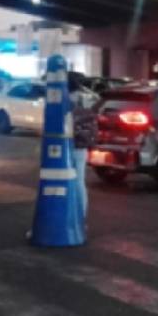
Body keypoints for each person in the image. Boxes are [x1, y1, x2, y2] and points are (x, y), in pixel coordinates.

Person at [69, 74, 97, 222]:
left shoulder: (69, 100)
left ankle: (72, 214)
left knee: (70, 181)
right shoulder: (88, 97)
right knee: (80, 180)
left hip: (71, 143)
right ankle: (81, 215)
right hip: (83, 143)